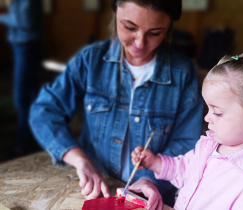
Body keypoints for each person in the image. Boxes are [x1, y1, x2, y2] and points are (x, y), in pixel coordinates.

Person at [29, 0, 204, 209]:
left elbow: (186, 141)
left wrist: (150, 178)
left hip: (149, 196)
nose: (139, 43)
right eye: (129, 27)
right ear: (115, 13)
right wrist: (79, 160)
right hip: (93, 189)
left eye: (155, 33)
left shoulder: (182, 74)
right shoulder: (90, 60)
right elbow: (44, 111)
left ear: (168, 29)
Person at [132, 48, 243, 209]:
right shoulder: (211, 145)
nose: (207, 118)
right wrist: (155, 163)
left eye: (217, 112)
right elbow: (186, 170)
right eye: (208, 108)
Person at [0, 0, 43, 155]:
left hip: (27, 46)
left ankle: (23, 145)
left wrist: (2, 17)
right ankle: (30, 139)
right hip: (22, 45)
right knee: (29, 95)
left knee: (22, 96)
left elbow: (23, 21)